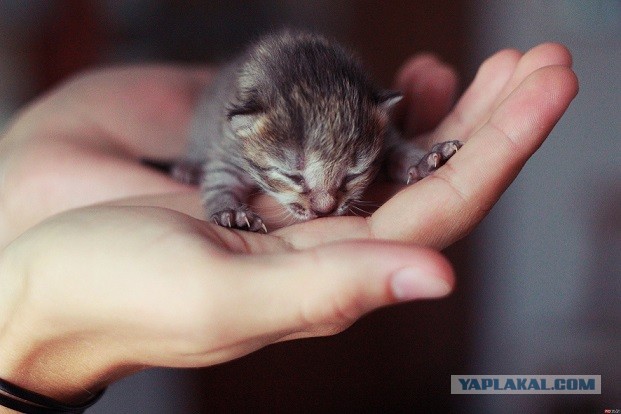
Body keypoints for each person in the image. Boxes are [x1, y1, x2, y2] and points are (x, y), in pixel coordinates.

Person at [0, 43, 577, 410]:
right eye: (296, 180)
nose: (325, 204)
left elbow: (387, 140)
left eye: (351, 172)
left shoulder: (365, 116)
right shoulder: (244, 123)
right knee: (213, 165)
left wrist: (405, 160)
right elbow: (225, 174)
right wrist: (221, 200)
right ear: (248, 130)